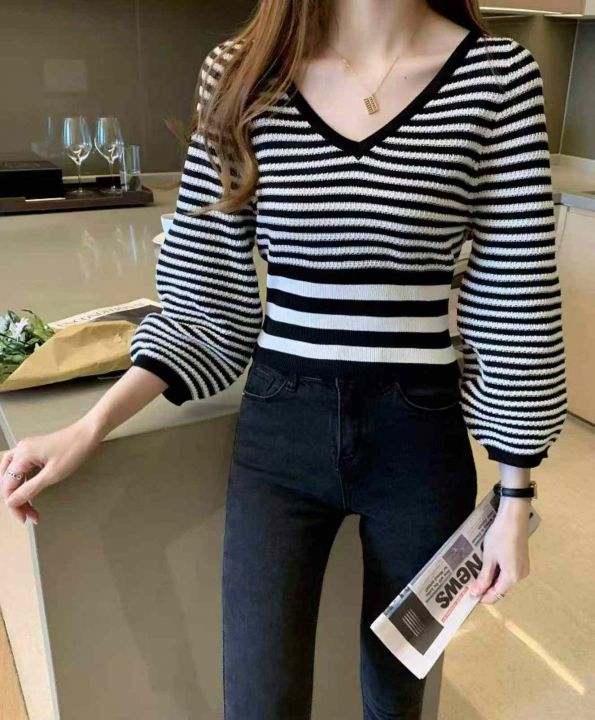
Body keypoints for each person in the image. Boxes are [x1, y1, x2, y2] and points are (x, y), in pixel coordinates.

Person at [1, 1, 568, 718]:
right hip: (280, 437)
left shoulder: (496, 77)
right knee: (258, 699)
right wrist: (89, 426)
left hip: (420, 442)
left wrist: (515, 495)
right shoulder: (242, 74)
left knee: (397, 698)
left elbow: (516, 289)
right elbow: (204, 294)